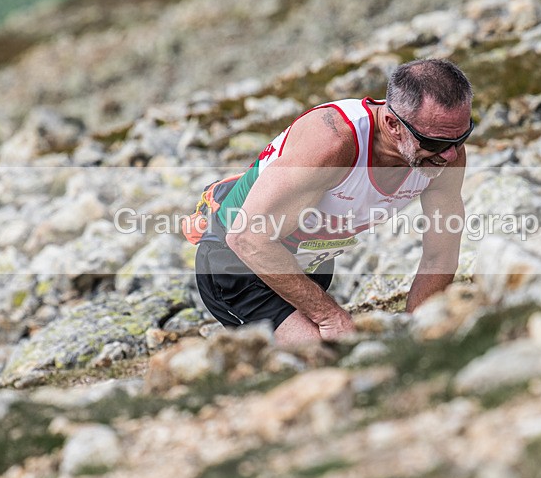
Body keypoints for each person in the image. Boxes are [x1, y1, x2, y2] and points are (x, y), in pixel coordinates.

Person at [194, 58, 473, 345]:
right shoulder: (333, 143)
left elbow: (440, 255)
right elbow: (246, 237)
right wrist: (329, 316)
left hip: (308, 264)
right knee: (328, 356)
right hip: (238, 262)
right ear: (392, 124)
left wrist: (417, 334)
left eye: (463, 136)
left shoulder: (445, 154)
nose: (451, 155)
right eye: (435, 143)